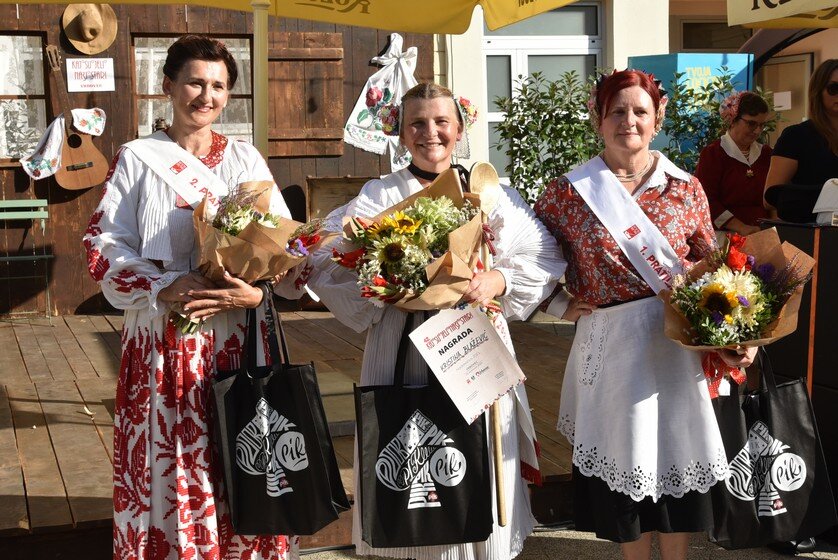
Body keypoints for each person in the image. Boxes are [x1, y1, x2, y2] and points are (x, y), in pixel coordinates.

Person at [306, 82, 566, 560]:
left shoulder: (488, 191)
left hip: (474, 345)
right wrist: (384, 283)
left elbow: (543, 252)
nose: (431, 133)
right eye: (417, 124)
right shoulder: (379, 194)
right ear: (401, 134)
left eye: (441, 121)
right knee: (412, 462)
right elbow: (326, 256)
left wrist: (499, 281)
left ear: (460, 127)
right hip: (402, 346)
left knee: (479, 468)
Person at [82, 35, 302, 559]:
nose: (207, 96)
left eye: (219, 86)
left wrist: (256, 291)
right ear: (169, 87)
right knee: (173, 456)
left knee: (240, 454)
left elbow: (280, 244)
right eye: (195, 83)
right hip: (164, 338)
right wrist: (163, 286)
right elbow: (103, 242)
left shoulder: (247, 159)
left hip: (237, 338)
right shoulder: (137, 158)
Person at [533, 70, 756, 560]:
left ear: (657, 119)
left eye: (639, 111)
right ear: (599, 118)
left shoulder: (686, 188)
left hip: (675, 347)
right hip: (609, 348)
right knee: (623, 471)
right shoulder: (567, 193)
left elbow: (715, 268)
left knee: (677, 457)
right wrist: (554, 304)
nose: (627, 121)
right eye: (617, 111)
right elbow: (530, 259)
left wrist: (741, 329)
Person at [764, 59, 838, 222]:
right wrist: (827, 193)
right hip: (813, 234)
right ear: (818, 91)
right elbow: (770, 197)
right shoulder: (796, 136)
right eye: (834, 88)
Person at [695, 91, 772, 235]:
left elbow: (774, 198)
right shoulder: (713, 154)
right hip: (726, 236)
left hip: (763, 235)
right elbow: (706, 200)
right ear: (733, 119)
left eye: (762, 125)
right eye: (751, 124)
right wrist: (741, 227)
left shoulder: (767, 154)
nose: (757, 131)